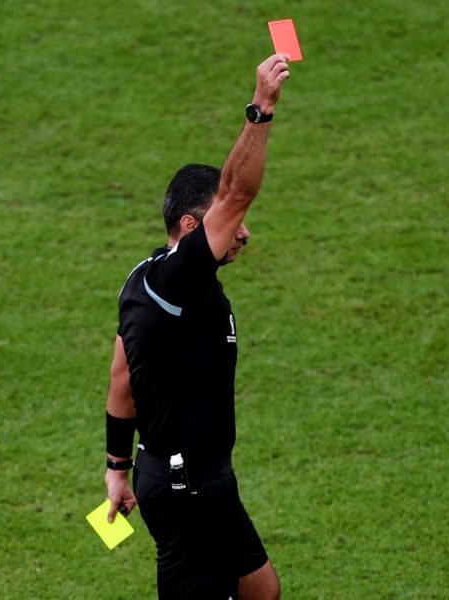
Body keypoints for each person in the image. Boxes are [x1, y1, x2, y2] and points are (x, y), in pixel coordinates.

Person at [102, 53, 291, 599]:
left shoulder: (145, 279)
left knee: (261, 590)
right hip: (186, 487)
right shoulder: (178, 279)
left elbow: (122, 377)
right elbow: (236, 192)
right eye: (230, 225)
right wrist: (261, 107)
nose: (243, 232)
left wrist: (117, 467)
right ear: (190, 226)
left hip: (192, 476)